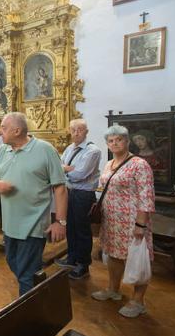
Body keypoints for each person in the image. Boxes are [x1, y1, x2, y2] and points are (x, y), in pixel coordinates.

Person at [0, 112, 67, 296]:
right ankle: (39, 290)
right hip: (10, 224)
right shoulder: (3, 151)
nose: (0, 131)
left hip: (34, 225)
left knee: (26, 275)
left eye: (4, 128)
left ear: (17, 130)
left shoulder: (45, 150)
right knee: (14, 263)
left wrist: (60, 222)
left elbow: (60, 188)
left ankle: (28, 316)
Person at [91, 125, 155, 318]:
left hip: (132, 220)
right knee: (113, 255)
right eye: (110, 141)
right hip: (111, 220)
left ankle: (138, 301)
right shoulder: (108, 164)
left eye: (118, 139)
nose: (114, 143)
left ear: (127, 141)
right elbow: (102, 189)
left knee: (137, 258)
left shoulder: (139, 164)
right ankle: (113, 289)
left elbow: (147, 196)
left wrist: (141, 224)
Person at [55, 119, 101, 279]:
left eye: (80, 130)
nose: (76, 133)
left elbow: (81, 175)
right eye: (73, 129)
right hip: (69, 192)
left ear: (86, 131)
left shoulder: (92, 151)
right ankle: (72, 258)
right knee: (70, 227)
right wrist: (68, 169)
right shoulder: (69, 148)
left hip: (83, 195)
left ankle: (83, 264)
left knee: (82, 229)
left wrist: (66, 170)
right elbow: (59, 167)